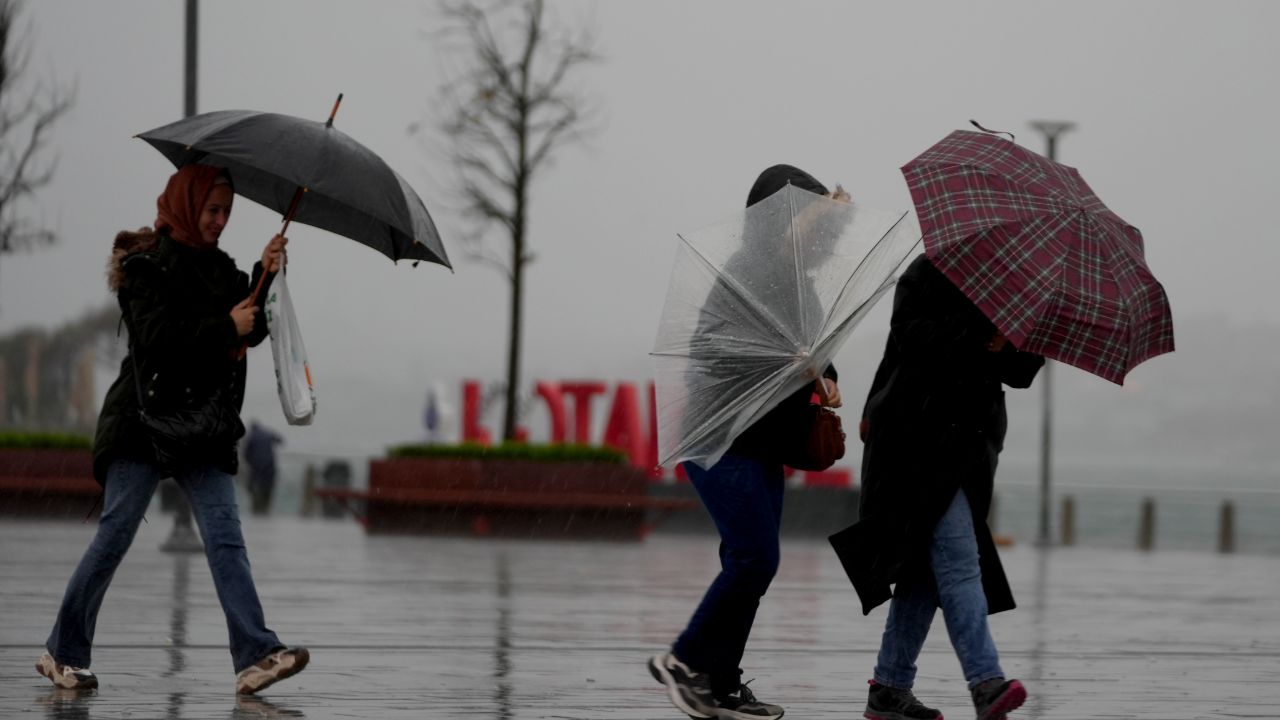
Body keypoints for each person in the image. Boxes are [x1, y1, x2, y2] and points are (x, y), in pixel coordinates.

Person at [36, 164, 309, 695]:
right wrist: (224, 326)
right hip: (141, 421)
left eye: (227, 211)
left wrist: (267, 271)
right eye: (213, 210)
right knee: (115, 534)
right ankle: (62, 653)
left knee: (226, 537)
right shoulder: (146, 269)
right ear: (187, 206)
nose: (221, 220)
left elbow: (249, 322)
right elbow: (157, 340)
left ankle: (255, 654)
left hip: (200, 426)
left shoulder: (222, 269)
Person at [649, 165, 845, 720]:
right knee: (755, 559)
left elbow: (816, 350)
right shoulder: (745, 271)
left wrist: (827, 377)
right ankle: (684, 661)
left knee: (747, 562)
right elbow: (709, 345)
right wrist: (789, 358)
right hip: (722, 436)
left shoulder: (802, 284)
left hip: (766, 441)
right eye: (804, 218)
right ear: (776, 219)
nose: (815, 233)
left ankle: (721, 684)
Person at [852, 254, 1044, 720]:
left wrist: (1014, 344)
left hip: (971, 449)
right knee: (959, 560)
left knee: (923, 573)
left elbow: (1020, 373)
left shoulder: (1017, 287)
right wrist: (984, 339)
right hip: (916, 439)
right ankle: (986, 682)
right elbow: (911, 338)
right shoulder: (929, 271)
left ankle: (890, 687)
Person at [244, 420, 284, 515]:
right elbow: (280, 440)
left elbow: (246, 454)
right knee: (268, 486)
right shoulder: (268, 433)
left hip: (256, 466)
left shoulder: (252, 437)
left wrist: (250, 462)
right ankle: (266, 508)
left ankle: (256, 508)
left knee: (253, 485)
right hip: (269, 464)